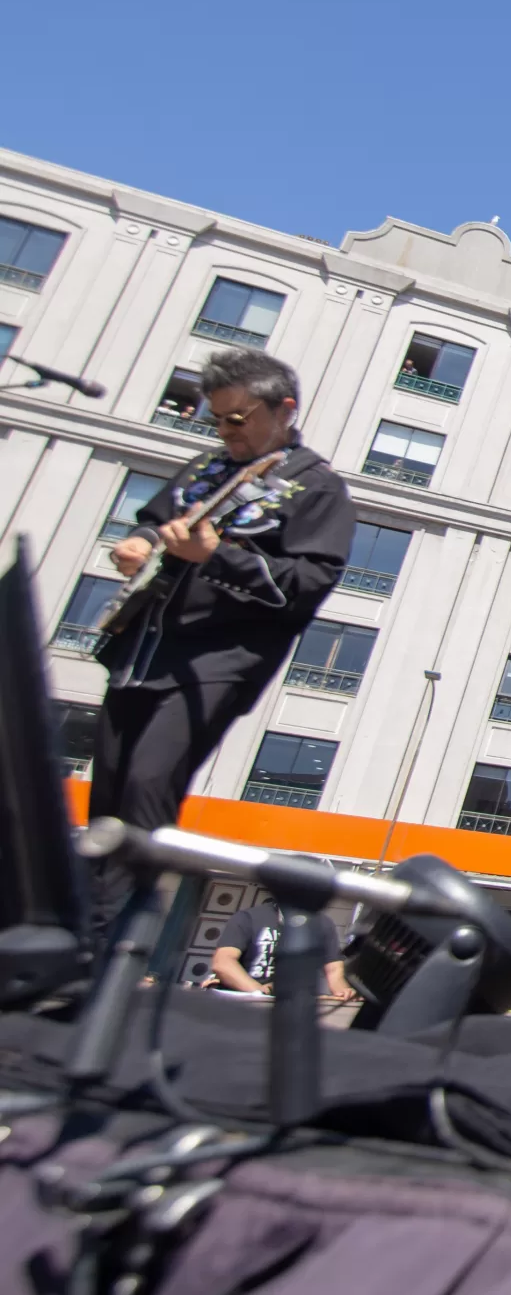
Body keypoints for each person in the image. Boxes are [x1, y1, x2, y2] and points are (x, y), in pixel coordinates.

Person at [91, 349, 353, 926]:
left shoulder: (316, 489)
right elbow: (153, 519)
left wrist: (217, 557)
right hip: (140, 653)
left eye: (238, 417)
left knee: (146, 789)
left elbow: (308, 585)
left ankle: (108, 945)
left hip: (216, 662)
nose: (225, 430)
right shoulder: (205, 467)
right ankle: (82, 929)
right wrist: (136, 542)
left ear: (284, 410)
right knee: (106, 801)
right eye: (216, 418)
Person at [205, 887, 356, 1002]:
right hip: (243, 1002)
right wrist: (258, 992)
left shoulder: (323, 925)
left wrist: (342, 991)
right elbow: (223, 963)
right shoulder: (249, 918)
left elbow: (334, 969)